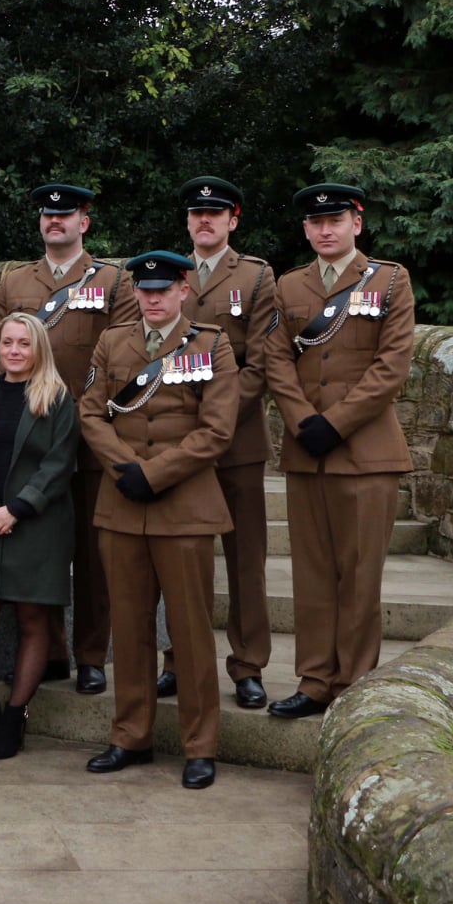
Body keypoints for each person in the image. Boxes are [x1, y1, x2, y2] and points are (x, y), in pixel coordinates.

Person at [80, 251, 238, 790]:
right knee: (128, 628)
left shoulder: (212, 344)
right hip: (122, 501)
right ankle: (130, 735)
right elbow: (91, 412)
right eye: (145, 290)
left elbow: (217, 430)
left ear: (183, 290)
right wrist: (128, 469)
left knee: (191, 631)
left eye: (162, 290)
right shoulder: (112, 341)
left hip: (185, 506)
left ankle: (200, 745)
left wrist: (157, 473)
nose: (152, 299)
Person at [261, 183, 415, 720]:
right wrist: (304, 421)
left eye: (336, 220)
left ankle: (354, 685)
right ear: (305, 229)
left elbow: (392, 365)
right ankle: (315, 679)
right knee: (312, 573)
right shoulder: (289, 285)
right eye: (315, 223)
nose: (325, 230)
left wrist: (338, 422)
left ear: (357, 222)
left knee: (359, 573)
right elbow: (276, 360)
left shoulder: (391, 280)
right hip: (308, 450)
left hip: (367, 452)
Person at [0, 184, 139, 695]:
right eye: (48, 215)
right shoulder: (15, 282)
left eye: (66, 215)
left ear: (84, 222)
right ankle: (48, 650)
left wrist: (79, 413)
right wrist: (18, 408)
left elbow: (121, 354)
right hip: (31, 440)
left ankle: (92, 654)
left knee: (95, 556)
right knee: (39, 549)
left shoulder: (113, 280)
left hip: (91, 438)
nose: (56, 222)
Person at [167, 176, 279, 708]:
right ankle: (176, 660)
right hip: (176, 443)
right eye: (196, 213)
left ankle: (247, 663)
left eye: (215, 213)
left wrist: (214, 418)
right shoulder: (166, 275)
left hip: (235, 441)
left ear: (233, 220)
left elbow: (260, 364)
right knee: (180, 557)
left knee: (244, 558)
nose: (204, 220)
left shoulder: (256, 277)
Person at [0, 311, 78, 759]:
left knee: (32, 621)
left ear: (38, 348)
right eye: (7, 342)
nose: (14, 351)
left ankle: (15, 714)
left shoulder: (57, 398)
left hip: (36, 525)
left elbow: (59, 462)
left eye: (24, 343)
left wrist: (18, 508)